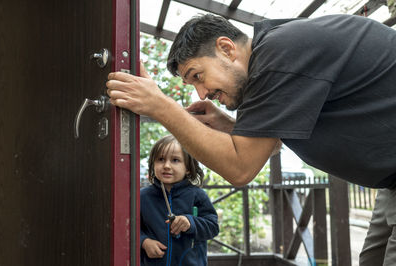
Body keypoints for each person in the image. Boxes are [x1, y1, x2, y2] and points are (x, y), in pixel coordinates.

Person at [106, 13, 396, 265]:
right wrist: (230, 126)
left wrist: (161, 107)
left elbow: (241, 168)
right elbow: (274, 144)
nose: (202, 94)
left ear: (226, 48)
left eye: (198, 76)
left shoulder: (277, 55)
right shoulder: (273, 57)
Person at [140, 134, 219, 266]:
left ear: (188, 168)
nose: (166, 166)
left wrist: (190, 222)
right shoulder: (143, 197)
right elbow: (130, 228)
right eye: (160, 159)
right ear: (153, 164)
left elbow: (213, 227)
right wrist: (144, 241)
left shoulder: (198, 195)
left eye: (175, 160)